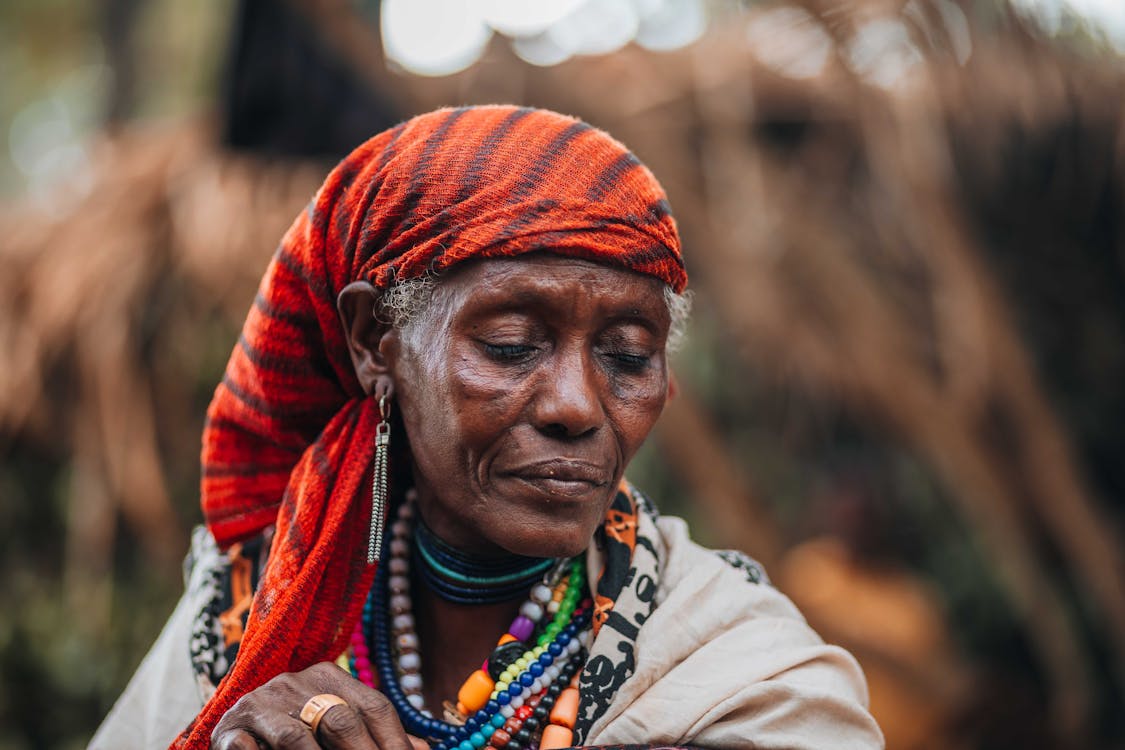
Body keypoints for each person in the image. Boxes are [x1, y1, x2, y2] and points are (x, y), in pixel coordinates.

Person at [91, 105, 883, 750]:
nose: (575, 405)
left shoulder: (734, 663)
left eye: (627, 356)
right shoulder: (247, 613)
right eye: (510, 345)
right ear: (375, 343)